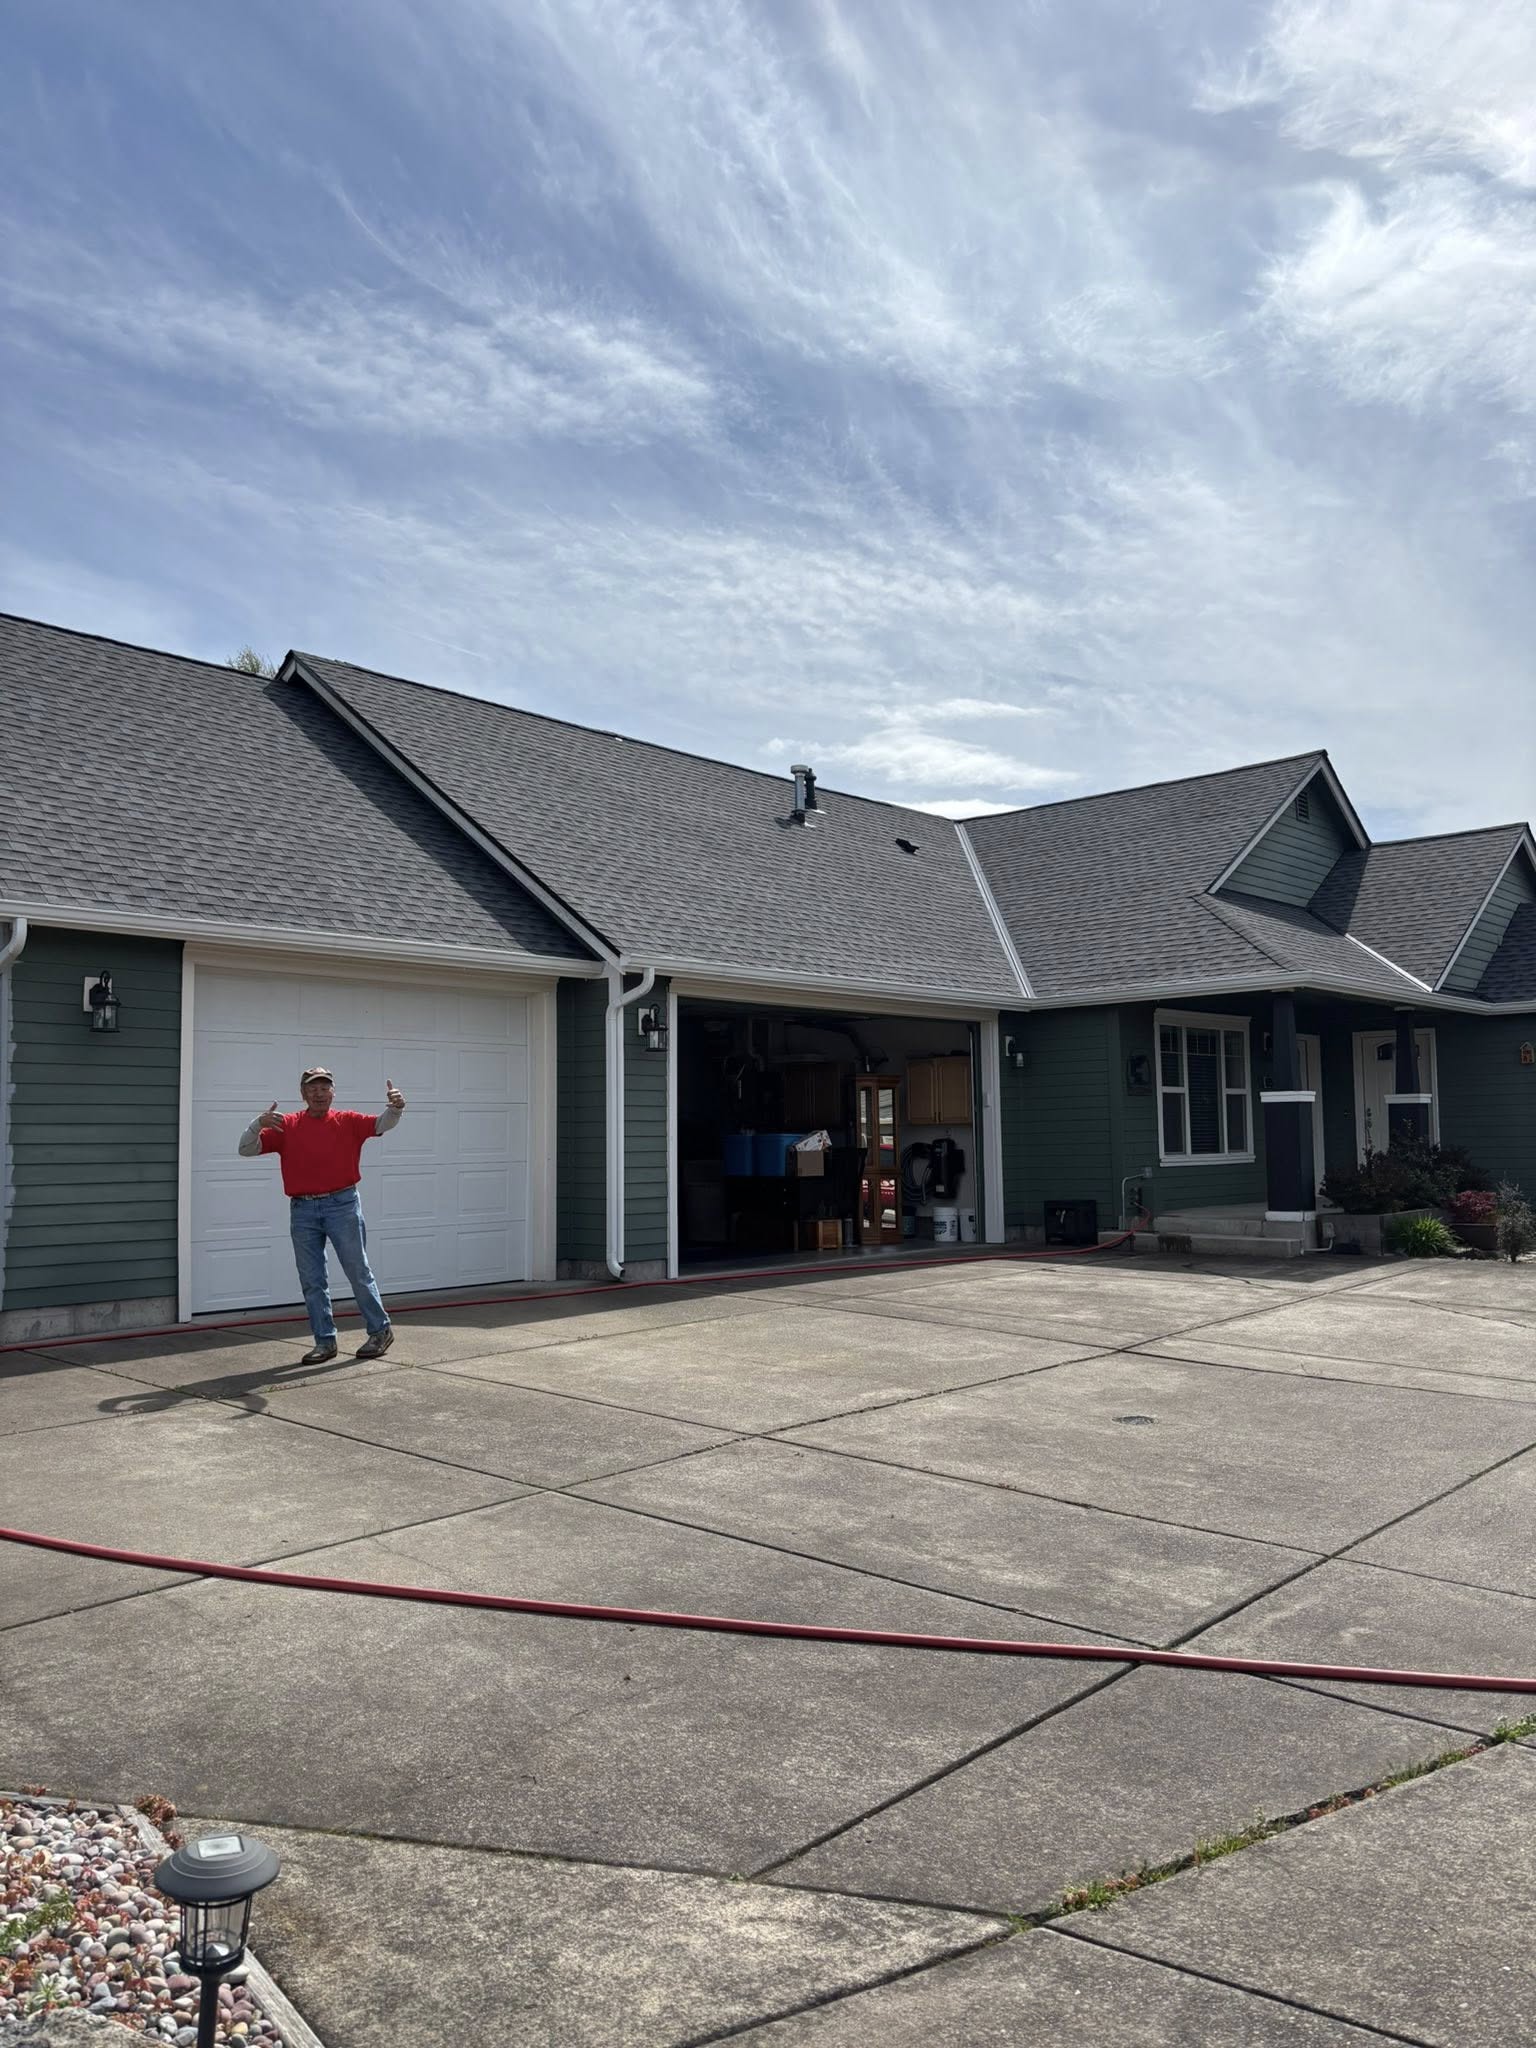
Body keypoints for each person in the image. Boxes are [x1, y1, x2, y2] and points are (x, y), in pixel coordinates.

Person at [238, 1066, 406, 1364]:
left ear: (333, 1092)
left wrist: (395, 1108)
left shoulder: (348, 1121)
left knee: (358, 1270)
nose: (319, 1092)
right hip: (303, 1210)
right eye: (312, 1088)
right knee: (312, 1279)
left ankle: (380, 1330)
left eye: (324, 1087)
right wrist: (257, 1123)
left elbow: (382, 1123)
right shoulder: (286, 1125)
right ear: (303, 1094)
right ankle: (325, 1341)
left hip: (342, 1204)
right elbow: (245, 1150)